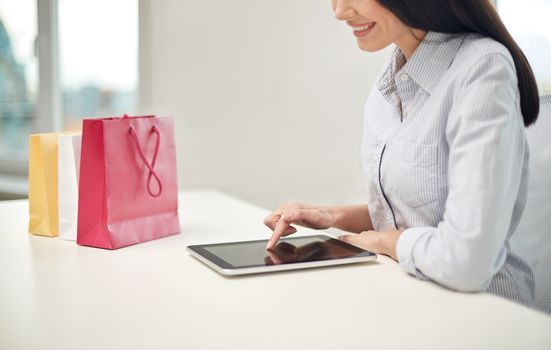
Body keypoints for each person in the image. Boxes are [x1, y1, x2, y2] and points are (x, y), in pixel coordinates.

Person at [263, 0, 540, 307]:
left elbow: (467, 261)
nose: (339, 11)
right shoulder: (395, 72)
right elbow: (419, 211)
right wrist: (331, 216)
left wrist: (384, 242)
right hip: (409, 297)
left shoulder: (483, 67)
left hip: (484, 313)